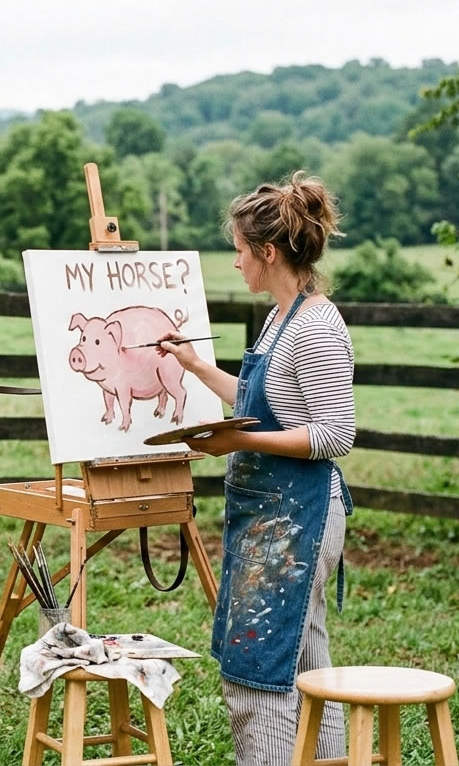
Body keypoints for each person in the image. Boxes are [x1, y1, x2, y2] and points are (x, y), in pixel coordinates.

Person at [157, 171, 356, 765]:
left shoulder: (317, 328)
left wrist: (236, 445)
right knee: (304, 654)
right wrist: (195, 366)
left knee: (262, 660)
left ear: (267, 253)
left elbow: (333, 434)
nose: (236, 262)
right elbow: (254, 399)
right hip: (272, 518)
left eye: (241, 251)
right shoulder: (279, 318)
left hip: (299, 519)